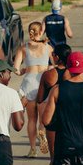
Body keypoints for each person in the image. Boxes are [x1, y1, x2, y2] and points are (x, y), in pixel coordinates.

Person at [37, 43, 71, 165]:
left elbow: (40, 98)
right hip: (69, 120)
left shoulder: (48, 75)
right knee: (68, 157)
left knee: (54, 157)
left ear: (56, 57)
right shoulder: (72, 74)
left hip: (52, 120)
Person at [13, 21, 52, 157]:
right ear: (41, 32)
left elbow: (16, 69)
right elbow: (56, 64)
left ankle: (32, 149)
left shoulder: (23, 48)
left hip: (29, 83)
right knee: (43, 119)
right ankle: (42, 131)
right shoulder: (47, 47)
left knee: (31, 119)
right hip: (43, 83)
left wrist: (22, 71)